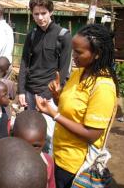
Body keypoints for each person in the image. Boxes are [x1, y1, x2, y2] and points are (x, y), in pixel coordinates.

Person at [35, 24, 118, 188]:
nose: (73, 56)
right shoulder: (79, 72)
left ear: (97, 54)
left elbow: (92, 134)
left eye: (79, 52)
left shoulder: (103, 88)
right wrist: (57, 96)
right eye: (73, 50)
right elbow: (70, 111)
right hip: (59, 154)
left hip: (75, 165)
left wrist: (54, 115)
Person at [17, 0, 72, 153]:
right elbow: (24, 62)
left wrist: (51, 94)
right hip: (29, 91)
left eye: (43, 13)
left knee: (47, 137)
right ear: (32, 14)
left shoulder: (63, 36)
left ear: (51, 12)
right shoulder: (32, 35)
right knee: (30, 133)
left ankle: (48, 171)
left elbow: (64, 70)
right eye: (36, 14)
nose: (40, 17)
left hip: (48, 94)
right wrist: (21, 90)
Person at [13, 111, 56, 188]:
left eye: (35, 146)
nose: (28, 152)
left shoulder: (48, 162)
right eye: (23, 145)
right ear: (13, 138)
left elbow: (51, 185)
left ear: (44, 141)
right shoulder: (7, 164)